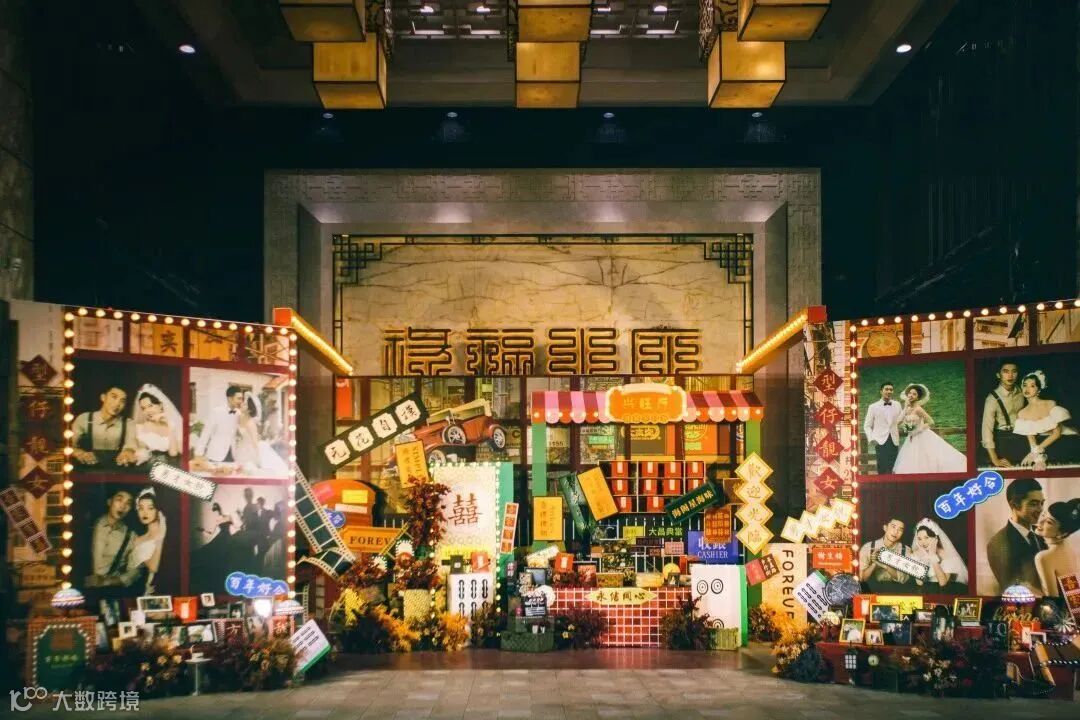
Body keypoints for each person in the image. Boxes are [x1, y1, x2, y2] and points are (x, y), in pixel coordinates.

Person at [987, 479, 1046, 593]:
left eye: (1042, 503)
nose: (1040, 509)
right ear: (1014, 504)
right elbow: (1013, 588)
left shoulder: (1043, 533)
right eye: (1033, 504)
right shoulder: (998, 543)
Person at [893, 384, 967, 474]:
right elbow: (898, 421)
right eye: (910, 393)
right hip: (911, 438)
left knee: (925, 458)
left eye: (914, 394)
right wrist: (905, 408)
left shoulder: (918, 409)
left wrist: (919, 429)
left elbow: (931, 422)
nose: (911, 395)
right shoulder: (907, 409)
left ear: (917, 397)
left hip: (921, 436)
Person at [1014, 370, 1079, 469]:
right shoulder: (1022, 413)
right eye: (1025, 385)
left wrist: (1033, 453)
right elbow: (1031, 438)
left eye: (1032, 386)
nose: (1027, 389)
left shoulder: (1050, 404)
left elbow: (1057, 433)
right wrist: (1038, 459)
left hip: (1065, 439)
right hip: (1043, 445)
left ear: (1038, 389)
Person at [86, 488, 140, 596]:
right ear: (109, 501)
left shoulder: (131, 536)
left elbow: (136, 570)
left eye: (128, 503)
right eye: (119, 500)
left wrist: (109, 581)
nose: (123, 506)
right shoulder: (88, 526)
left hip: (109, 592)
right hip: (78, 590)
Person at [71, 386, 137, 468]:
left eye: (122, 401)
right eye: (114, 397)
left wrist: (127, 453)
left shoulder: (129, 423)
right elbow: (69, 446)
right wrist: (80, 454)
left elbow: (131, 447)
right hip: (87, 470)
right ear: (103, 397)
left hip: (116, 470)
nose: (117, 404)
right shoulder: (84, 419)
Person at [980, 360, 1026, 468]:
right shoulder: (992, 399)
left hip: (1022, 437)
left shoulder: (1021, 391)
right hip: (1004, 440)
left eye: (1014, 371)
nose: (1010, 375)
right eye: (1005, 371)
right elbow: (986, 430)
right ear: (998, 375)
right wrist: (994, 459)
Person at [1033, 499, 1080, 597]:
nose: (1040, 521)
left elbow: (1052, 600)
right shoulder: (1068, 549)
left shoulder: (1044, 557)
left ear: (1063, 534)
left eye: (1049, 522)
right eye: (1043, 515)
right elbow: (1073, 595)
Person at [192, 385, 246, 468]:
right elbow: (206, 433)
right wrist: (198, 453)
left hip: (232, 454)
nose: (241, 401)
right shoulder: (216, 411)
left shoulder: (239, 413)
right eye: (238, 398)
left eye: (242, 398)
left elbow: (241, 432)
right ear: (230, 398)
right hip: (216, 454)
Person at [911, 518, 969, 590]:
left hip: (946, 590)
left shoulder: (947, 554)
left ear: (935, 538)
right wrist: (920, 557)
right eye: (919, 539)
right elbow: (919, 582)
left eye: (926, 537)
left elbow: (942, 583)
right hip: (926, 590)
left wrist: (932, 555)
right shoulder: (916, 554)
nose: (923, 542)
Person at [132, 385, 181, 466]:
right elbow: (140, 450)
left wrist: (169, 422)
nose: (147, 411)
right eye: (143, 408)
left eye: (150, 406)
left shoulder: (171, 425)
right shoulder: (140, 428)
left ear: (161, 405)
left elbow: (173, 453)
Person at [131, 487, 167, 595]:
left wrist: (161, 535)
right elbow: (152, 567)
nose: (145, 512)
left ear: (158, 510)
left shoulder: (169, 534)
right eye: (141, 508)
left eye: (150, 508)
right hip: (144, 591)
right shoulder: (138, 540)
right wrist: (160, 538)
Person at [858, 517, 911, 587]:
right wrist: (874, 564)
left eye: (900, 530)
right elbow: (862, 578)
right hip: (873, 590)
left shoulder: (906, 550)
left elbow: (904, 579)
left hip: (898, 590)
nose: (896, 532)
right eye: (893, 527)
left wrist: (886, 566)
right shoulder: (868, 547)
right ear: (885, 528)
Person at [864, 382, 902, 474]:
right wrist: (872, 439)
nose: (889, 391)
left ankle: (893, 483)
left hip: (894, 440)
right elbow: (867, 426)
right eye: (886, 389)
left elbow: (902, 420)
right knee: (882, 468)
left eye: (891, 390)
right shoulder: (873, 407)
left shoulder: (897, 404)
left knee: (894, 467)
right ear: (881, 391)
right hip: (880, 441)